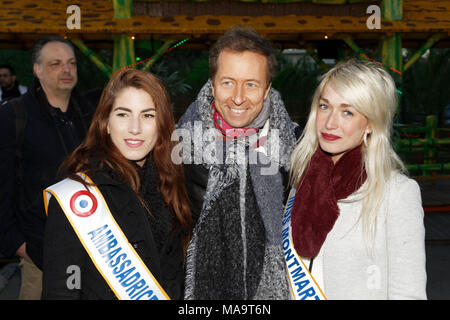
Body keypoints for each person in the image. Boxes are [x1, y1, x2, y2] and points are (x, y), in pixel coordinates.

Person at [42, 68, 192, 300]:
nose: (135, 127)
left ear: (162, 125)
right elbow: (62, 291)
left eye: (148, 115)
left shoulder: (172, 184)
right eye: (123, 114)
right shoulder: (79, 197)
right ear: (106, 123)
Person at [285, 58, 427, 300]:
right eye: (324, 106)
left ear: (370, 123)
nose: (330, 123)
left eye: (347, 112)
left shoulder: (397, 192)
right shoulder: (301, 181)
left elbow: (408, 294)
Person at [176, 25, 300, 299]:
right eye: (228, 82)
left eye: (251, 84)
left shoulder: (299, 151)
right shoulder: (177, 147)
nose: (239, 97)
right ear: (212, 84)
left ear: (267, 89)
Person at [0, 36, 95, 299]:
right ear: (37, 70)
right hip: (39, 256)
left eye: (71, 63)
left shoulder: (90, 116)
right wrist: (18, 244)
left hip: (93, 250)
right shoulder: (12, 117)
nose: (66, 69)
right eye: (56, 63)